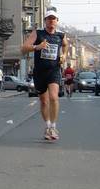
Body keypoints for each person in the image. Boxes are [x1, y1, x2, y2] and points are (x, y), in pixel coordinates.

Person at [21, 9, 67, 140]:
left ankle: (53, 126)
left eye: (54, 18)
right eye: (49, 18)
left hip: (54, 70)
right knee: (44, 101)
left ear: (57, 21)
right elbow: (23, 48)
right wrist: (37, 47)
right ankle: (47, 126)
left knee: (53, 97)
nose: (51, 21)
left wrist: (63, 55)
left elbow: (65, 45)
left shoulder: (61, 35)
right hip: (40, 72)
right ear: (45, 21)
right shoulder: (38, 33)